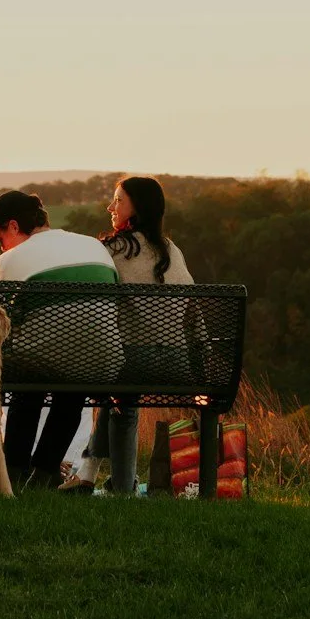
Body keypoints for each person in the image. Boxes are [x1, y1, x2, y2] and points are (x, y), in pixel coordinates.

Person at [0, 189, 120, 490]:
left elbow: (7, 323)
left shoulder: (10, 261)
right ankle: (44, 474)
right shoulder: (93, 246)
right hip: (104, 361)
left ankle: (13, 472)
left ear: (14, 227)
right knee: (73, 384)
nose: (1, 247)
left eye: (0, 237)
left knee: (27, 382)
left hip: (43, 363)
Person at [78, 174, 195, 489]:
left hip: (131, 362)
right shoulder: (172, 250)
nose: (110, 207)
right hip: (179, 365)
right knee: (115, 388)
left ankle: (122, 485)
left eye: (118, 200)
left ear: (137, 207)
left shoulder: (113, 250)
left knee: (119, 396)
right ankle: (89, 476)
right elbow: (191, 309)